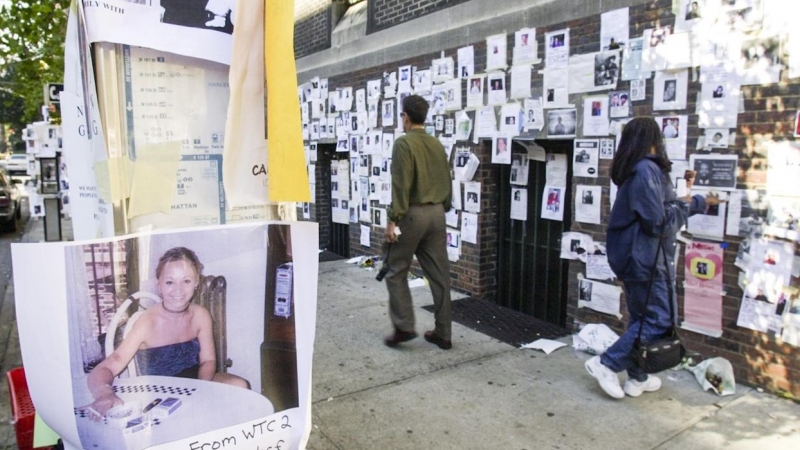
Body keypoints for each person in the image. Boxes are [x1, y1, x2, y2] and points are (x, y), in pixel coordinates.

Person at [585, 117, 722, 399]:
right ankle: (606, 364)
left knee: (641, 318)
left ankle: (638, 376)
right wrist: (699, 203)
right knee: (659, 320)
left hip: (638, 257)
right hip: (645, 260)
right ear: (652, 138)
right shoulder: (646, 170)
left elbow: (661, 210)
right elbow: (657, 223)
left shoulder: (640, 170)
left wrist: (686, 198)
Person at [83, 247, 249, 419]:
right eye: (170, 282)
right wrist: (103, 393)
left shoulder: (201, 315)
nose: (178, 290)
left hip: (197, 382)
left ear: (197, 282)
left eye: (186, 281)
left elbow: (208, 361)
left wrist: (200, 389)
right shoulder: (147, 323)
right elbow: (107, 366)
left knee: (240, 385)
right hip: (160, 396)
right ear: (159, 284)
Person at [384, 95, 454, 350]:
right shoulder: (437, 144)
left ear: (406, 116)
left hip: (412, 214)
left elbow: (401, 186)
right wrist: (442, 206)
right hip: (437, 214)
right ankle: (443, 333)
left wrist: (393, 221)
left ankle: (404, 327)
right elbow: (447, 180)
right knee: (439, 275)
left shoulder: (404, 144)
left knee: (395, 269)